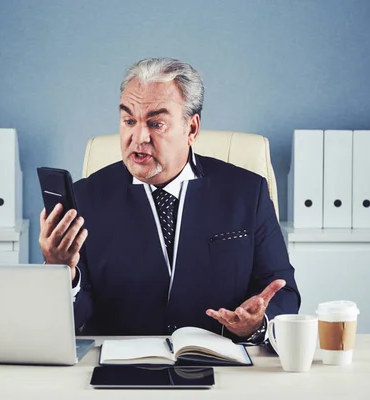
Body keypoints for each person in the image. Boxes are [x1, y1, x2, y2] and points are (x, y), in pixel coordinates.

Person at [39, 58, 300, 343]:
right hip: (118, 370)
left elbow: (283, 293)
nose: (138, 137)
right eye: (128, 121)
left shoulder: (248, 192)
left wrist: (256, 324)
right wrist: (62, 272)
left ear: (191, 129)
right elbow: (75, 321)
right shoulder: (85, 199)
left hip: (220, 363)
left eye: (156, 123)